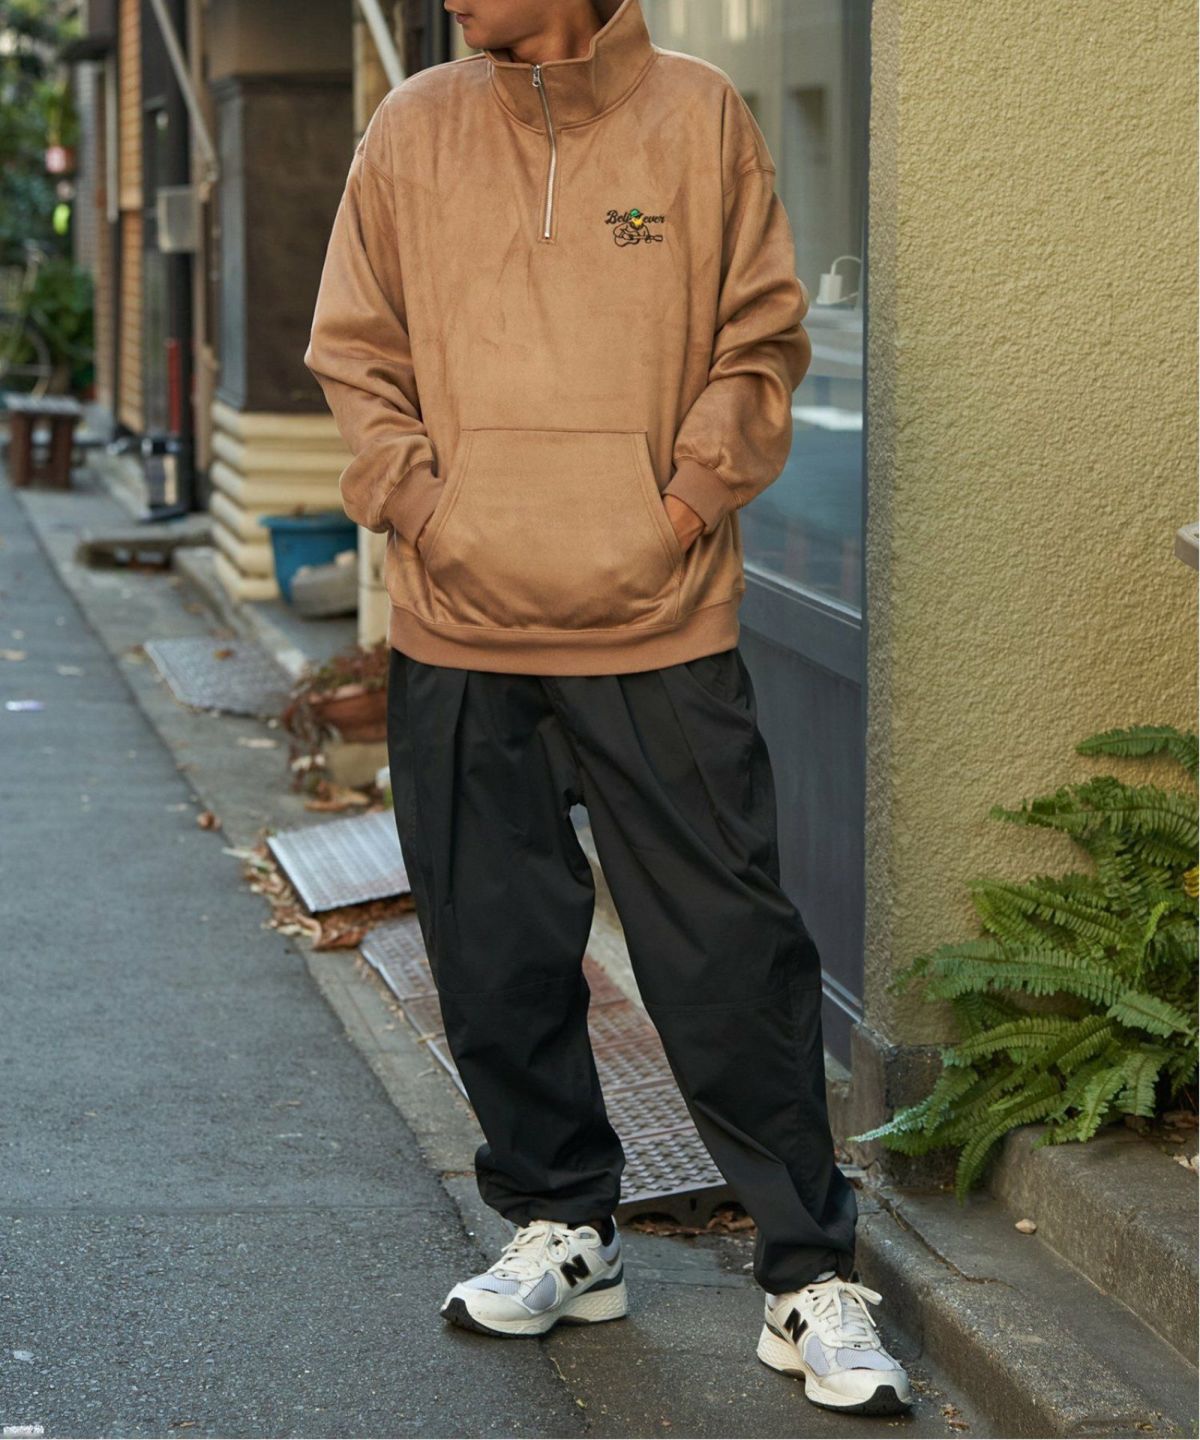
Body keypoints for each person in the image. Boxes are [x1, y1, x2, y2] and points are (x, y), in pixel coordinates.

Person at [305, 0, 911, 1416]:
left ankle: (808, 1274)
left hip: (659, 619)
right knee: (493, 942)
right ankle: (562, 1224)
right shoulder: (412, 128)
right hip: (460, 625)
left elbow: (760, 341)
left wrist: (680, 507)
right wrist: (426, 511)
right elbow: (354, 349)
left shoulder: (697, 116)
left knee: (727, 947)